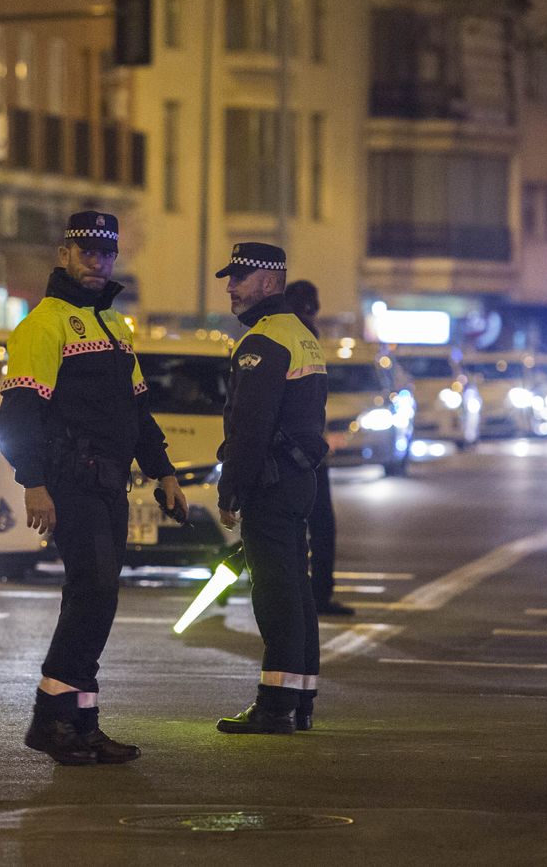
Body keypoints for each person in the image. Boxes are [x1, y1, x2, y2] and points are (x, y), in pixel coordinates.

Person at [0, 210, 188, 765]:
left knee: (99, 599)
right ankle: (50, 720)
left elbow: (137, 412)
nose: (98, 263)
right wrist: (33, 483)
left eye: (106, 253)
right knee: (91, 594)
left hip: (110, 484)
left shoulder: (115, 327)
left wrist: (165, 471)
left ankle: (82, 723)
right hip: (70, 481)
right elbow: (19, 413)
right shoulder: (42, 324)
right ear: (64, 256)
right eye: (87, 252)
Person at [214, 243, 328, 735]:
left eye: (240, 277)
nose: (231, 287)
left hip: (271, 482)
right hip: (300, 479)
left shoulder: (263, 342)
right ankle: (299, 697)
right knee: (296, 589)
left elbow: (250, 426)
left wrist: (231, 489)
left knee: (275, 592)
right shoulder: (300, 334)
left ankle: (275, 705)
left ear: (269, 281)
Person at [283, 280, 354, 618]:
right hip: (306, 451)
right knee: (320, 526)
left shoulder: (277, 333)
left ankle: (298, 593)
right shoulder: (305, 338)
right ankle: (316, 595)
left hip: (289, 449)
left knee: (286, 526)